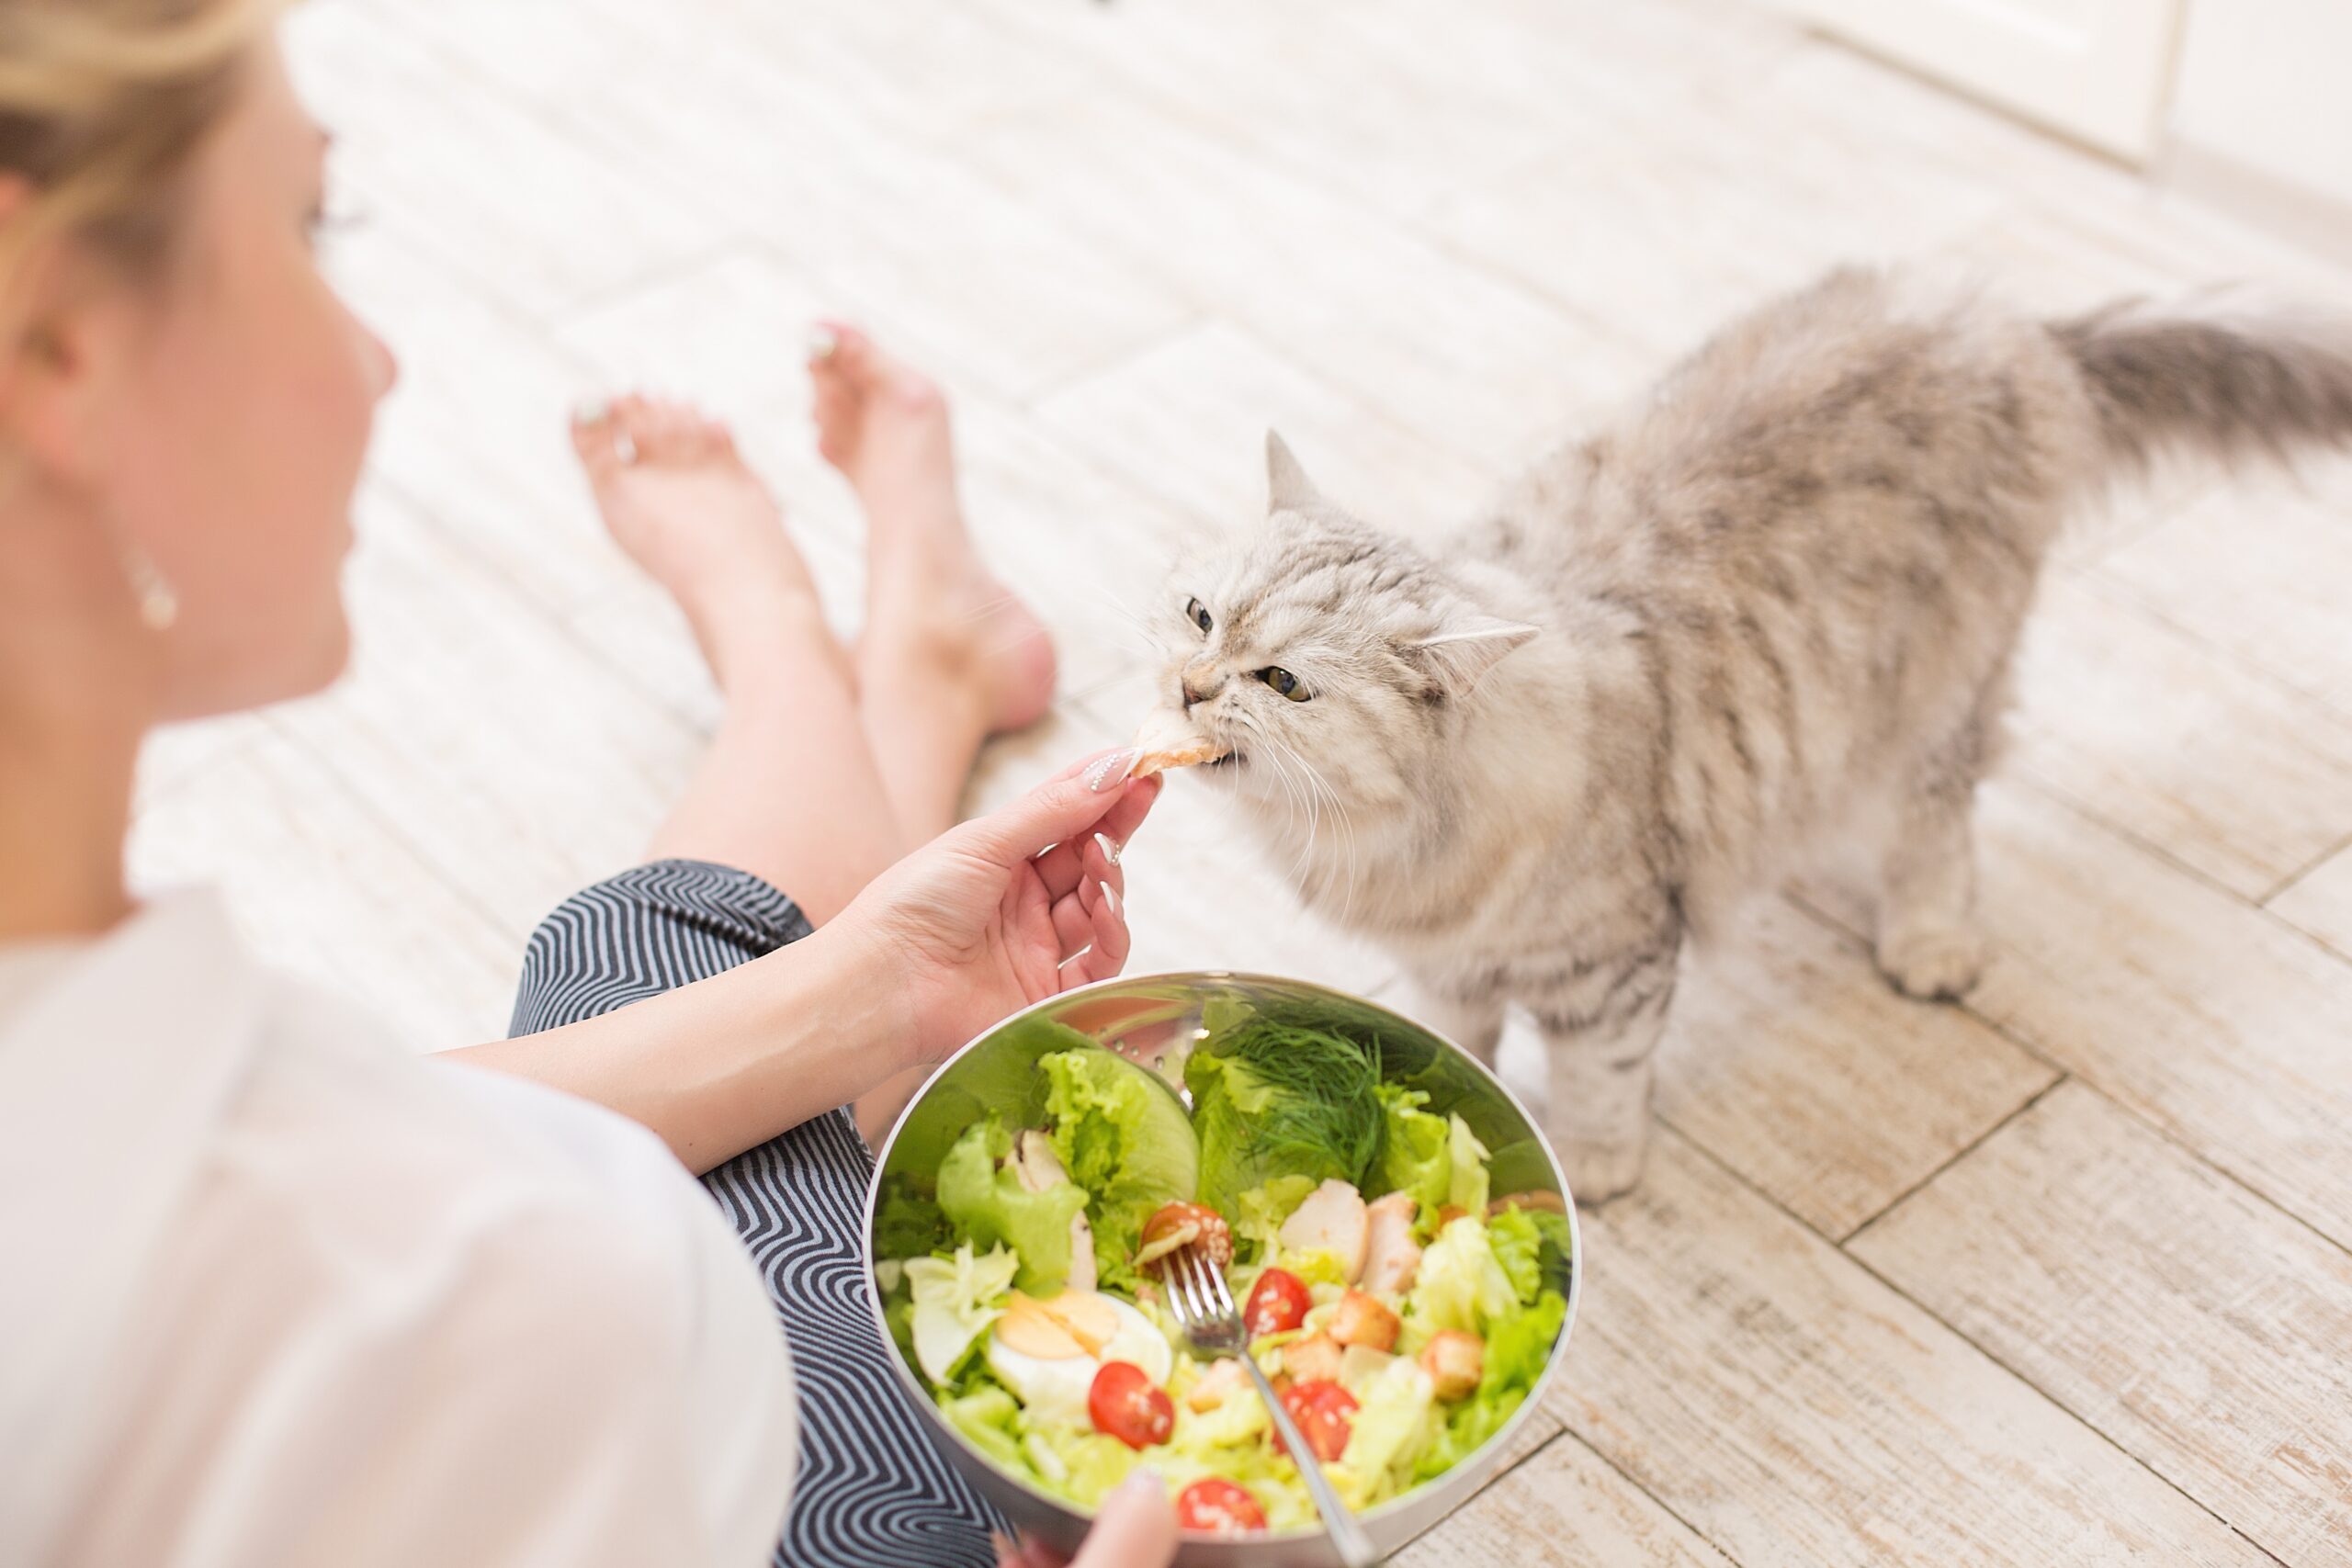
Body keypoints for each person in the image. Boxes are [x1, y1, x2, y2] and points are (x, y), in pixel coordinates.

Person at [0, 2, 1177, 1563]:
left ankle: (893, 671)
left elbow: (314, 1126)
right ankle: (841, 651)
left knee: (655, 975)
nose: (380, 357)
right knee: (634, 958)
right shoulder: (467, 1329)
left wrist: (876, 993)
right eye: (309, 223)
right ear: (59, 337)